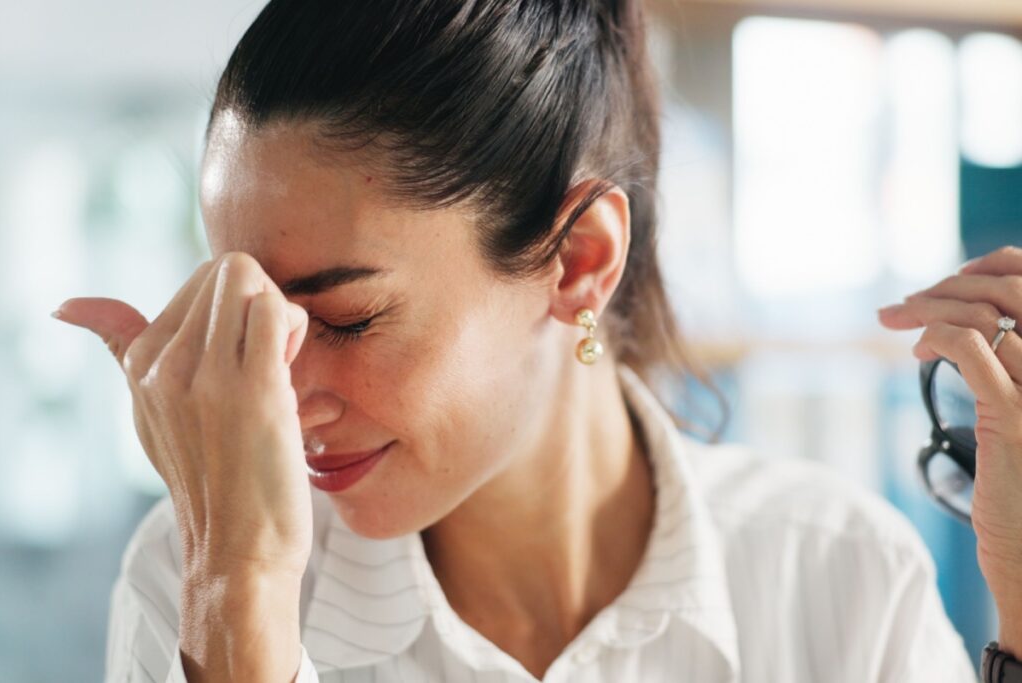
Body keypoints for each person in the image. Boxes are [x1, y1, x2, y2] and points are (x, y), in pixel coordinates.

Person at [50, 0, 1022, 681]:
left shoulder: (837, 573)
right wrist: (238, 608)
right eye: (254, 317)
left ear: (578, 261)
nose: (279, 393)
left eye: (344, 318)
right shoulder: (198, 572)